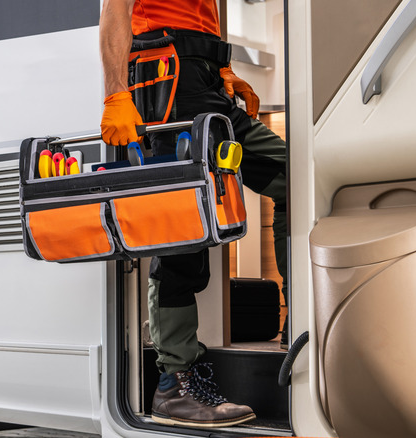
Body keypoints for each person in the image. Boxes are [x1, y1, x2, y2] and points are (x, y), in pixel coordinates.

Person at [99, 0, 288, 429]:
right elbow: (115, 11)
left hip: (204, 80)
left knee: (294, 180)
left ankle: (298, 326)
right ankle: (174, 384)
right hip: (165, 77)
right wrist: (116, 93)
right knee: (183, 229)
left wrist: (220, 69)